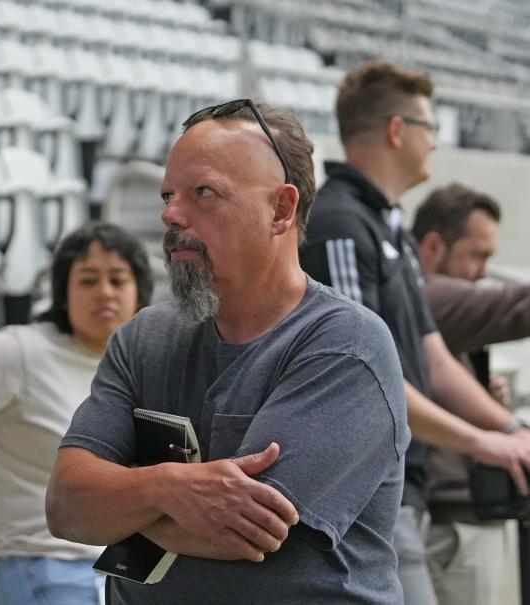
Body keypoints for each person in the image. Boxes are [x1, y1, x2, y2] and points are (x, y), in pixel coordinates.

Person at [46, 99, 410, 604]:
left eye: (204, 193)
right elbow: (66, 507)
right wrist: (170, 487)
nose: (171, 214)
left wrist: (124, 501)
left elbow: (241, 534)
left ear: (281, 209)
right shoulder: (141, 337)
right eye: (169, 194)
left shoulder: (345, 344)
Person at [299, 61, 530, 605]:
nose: (435, 142)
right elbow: (364, 379)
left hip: (407, 488)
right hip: (368, 488)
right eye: (430, 128)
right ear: (398, 131)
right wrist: (485, 443)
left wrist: (509, 427)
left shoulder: (389, 230)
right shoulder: (340, 226)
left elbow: (434, 360)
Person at [0, 222, 153, 604]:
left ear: (139, 292)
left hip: (128, 564)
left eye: (118, 279)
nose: (104, 292)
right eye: (87, 280)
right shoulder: (20, 351)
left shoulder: (143, 364)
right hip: (39, 561)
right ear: (63, 292)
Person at [411, 183, 530, 605]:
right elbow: (511, 307)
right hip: (456, 527)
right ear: (432, 246)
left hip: (471, 517)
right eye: (477, 255)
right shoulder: (426, 294)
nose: (483, 272)